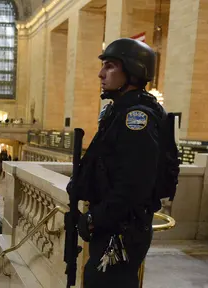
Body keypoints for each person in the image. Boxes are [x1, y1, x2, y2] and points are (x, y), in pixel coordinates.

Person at [69, 38, 170, 288]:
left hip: (122, 231)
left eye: (111, 66)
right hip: (113, 226)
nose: (101, 74)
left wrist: (95, 217)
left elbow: (133, 186)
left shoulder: (137, 119)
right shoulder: (119, 111)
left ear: (133, 71)